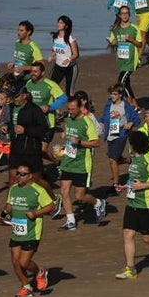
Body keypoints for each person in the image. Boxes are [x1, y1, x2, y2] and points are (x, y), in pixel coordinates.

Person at [114, 129, 149, 280]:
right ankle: (130, 269)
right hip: (132, 202)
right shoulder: (134, 160)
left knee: (147, 238)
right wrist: (124, 186)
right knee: (127, 233)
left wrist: (143, 186)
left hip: (146, 204)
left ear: (135, 145)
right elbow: (134, 179)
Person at [0, 163, 55, 297]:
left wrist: (35, 213)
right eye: (18, 173)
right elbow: (9, 205)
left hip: (31, 231)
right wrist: (3, 214)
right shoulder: (13, 189)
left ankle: (40, 272)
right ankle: (26, 286)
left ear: (30, 176)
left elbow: (51, 206)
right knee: (15, 261)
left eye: (23, 174)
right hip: (17, 230)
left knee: (24, 262)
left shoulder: (38, 190)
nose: (19, 176)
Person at [56, 94, 103, 231]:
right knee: (64, 191)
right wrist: (63, 145)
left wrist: (79, 142)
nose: (70, 112)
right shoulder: (68, 120)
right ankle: (70, 221)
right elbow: (70, 137)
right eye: (68, 109)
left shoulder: (87, 122)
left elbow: (96, 143)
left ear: (80, 108)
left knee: (79, 196)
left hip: (82, 164)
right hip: (67, 162)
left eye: (73, 109)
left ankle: (98, 203)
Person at [7, 85, 50, 198]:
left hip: (31, 149)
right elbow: (9, 123)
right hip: (16, 148)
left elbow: (44, 128)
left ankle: (54, 198)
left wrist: (25, 130)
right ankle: (10, 204)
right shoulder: (11, 107)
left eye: (17, 96)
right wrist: (5, 127)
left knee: (36, 180)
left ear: (24, 96)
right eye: (13, 97)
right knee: (13, 177)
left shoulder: (34, 110)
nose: (15, 99)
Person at [100, 83, 140, 188]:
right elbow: (104, 116)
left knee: (112, 160)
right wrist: (101, 122)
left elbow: (137, 118)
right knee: (116, 159)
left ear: (120, 95)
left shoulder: (126, 106)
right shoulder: (109, 104)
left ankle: (116, 184)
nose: (112, 96)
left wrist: (131, 123)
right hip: (110, 135)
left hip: (121, 136)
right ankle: (128, 160)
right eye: (111, 94)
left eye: (114, 94)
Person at [107, 5, 141, 102]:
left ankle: (131, 104)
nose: (125, 15)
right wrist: (112, 43)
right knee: (127, 84)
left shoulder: (134, 28)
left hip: (131, 61)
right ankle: (135, 104)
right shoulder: (116, 29)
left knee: (121, 82)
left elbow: (140, 44)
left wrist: (131, 39)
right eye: (122, 13)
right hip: (121, 61)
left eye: (126, 13)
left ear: (129, 15)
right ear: (119, 15)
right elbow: (112, 42)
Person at [47, 15, 80, 94]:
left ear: (66, 26)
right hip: (58, 67)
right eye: (58, 22)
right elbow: (55, 50)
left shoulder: (70, 39)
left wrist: (69, 59)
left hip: (70, 68)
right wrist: (52, 55)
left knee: (69, 92)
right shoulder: (55, 37)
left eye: (61, 23)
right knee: (51, 88)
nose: (58, 24)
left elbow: (76, 54)